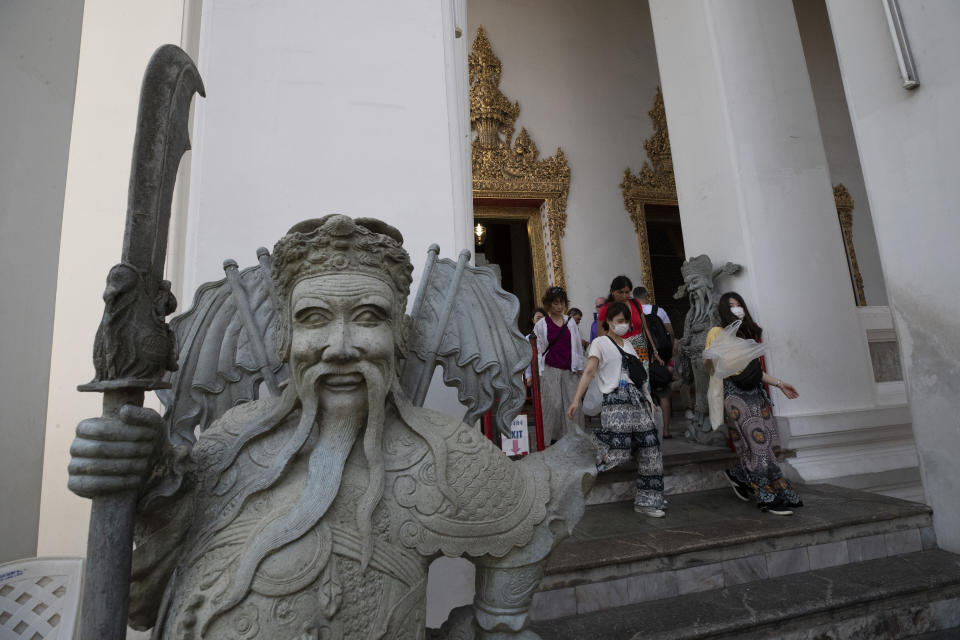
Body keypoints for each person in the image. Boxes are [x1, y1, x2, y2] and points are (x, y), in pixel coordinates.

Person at [66, 215, 596, 637]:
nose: (339, 347)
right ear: (283, 339)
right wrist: (144, 471)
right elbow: (157, 566)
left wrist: (495, 622)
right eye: (314, 319)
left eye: (367, 317)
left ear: (401, 336)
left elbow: (533, 507)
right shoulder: (233, 440)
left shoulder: (440, 456)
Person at [704, 292, 802, 516]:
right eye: (731, 305)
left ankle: (743, 475)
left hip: (755, 392)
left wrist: (780, 384)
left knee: (767, 441)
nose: (736, 309)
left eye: (739, 305)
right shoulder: (716, 332)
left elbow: (755, 371)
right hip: (734, 393)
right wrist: (715, 355)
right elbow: (709, 365)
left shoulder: (744, 337)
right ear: (723, 310)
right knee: (756, 441)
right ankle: (765, 492)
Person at [567, 301, 665, 517]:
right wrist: (576, 400)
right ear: (608, 322)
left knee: (651, 447)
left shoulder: (629, 345)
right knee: (618, 449)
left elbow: (640, 378)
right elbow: (589, 372)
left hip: (637, 400)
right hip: (615, 400)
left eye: (626, 321)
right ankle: (581, 457)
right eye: (619, 321)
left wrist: (650, 400)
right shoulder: (600, 343)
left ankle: (648, 501)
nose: (624, 324)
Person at [534, 287, 586, 443]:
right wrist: (540, 372)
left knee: (572, 405)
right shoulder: (541, 325)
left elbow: (577, 346)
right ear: (549, 304)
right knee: (553, 405)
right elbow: (539, 350)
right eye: (556, 303)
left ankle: (575, 439)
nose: (559, 306)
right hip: (551, 369)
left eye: (562, 303)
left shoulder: (570, 323)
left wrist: (580, 367)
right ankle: (551, 440)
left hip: (570, 370)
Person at [633, 287, 676, 438]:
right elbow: (670, 333)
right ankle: (666, 431)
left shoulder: (633, 313)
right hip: (661, 358)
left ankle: (649, 430)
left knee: (645, 393)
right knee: (664, 394)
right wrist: (668, 355)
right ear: (647, 296)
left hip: (641, 357)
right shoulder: (659, 311)